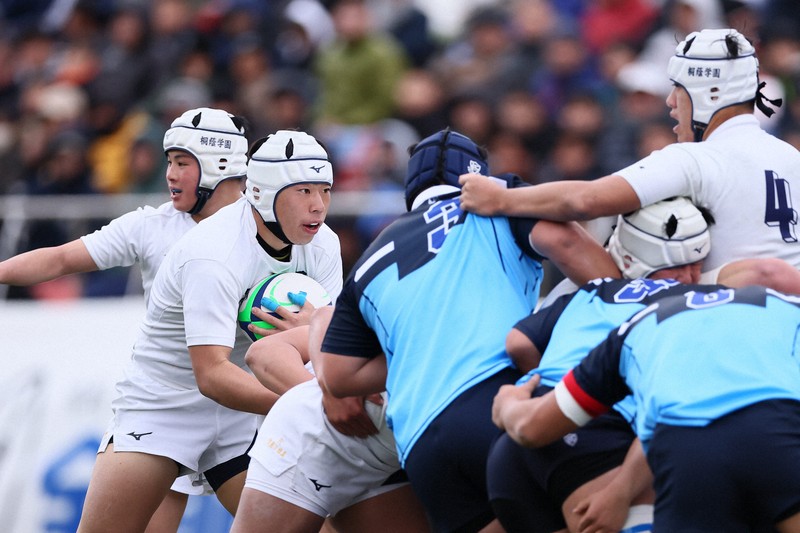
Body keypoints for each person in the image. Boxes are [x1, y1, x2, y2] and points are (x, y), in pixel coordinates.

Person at [314, 127, 621, 532]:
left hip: (421, 440)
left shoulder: (372, 255)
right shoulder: (495, 199)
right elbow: (564, 242)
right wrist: (630, 297)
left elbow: (338, 374)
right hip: (492, 402)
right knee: (606, 504)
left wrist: (425, 352)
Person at [76, 129, 343, 532]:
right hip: (164, 405)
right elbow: (212, 375)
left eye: (325, 191)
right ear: (263, 193)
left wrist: (314, 332)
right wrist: (305, 404)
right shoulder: (214, 251)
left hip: (245, 411)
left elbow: (334, 348)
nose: (318, 206)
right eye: (303, 191)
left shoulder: (324, 244)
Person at [0, 106, 252, 531]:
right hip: (160, 409)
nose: (169, 173)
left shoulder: (271, 231)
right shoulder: (151, 225)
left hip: (241, 408)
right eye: (169, 160)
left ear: (220, 164)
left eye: (182, 162)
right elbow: (60, 258)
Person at [459, 28, 799, 284]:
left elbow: (585, 200)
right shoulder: (791, 156)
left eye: (677, 90)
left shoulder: (695, 158)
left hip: (731, 332)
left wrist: (500, 198)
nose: (669, 103)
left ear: (709, 92)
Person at [488, 196, 720, 533]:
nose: (689, 277)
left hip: (512, 451)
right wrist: (620, 492)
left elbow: (518, 343)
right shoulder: (691, 307)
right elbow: (671, 409)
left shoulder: (590, 291)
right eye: (678, 266)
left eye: (697, 264)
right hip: (591, 437)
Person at [491, 284, 800, 532]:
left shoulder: (633, 326)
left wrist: (507, 403)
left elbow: (532, 428)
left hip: (688, 455)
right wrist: (621, 491)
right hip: (774, 434)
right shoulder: (788, 309)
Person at [231, 306, 430, 532]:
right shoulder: (399, 301)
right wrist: (331, 395)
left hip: (391, 457)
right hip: (313, 437)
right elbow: (264, 351)